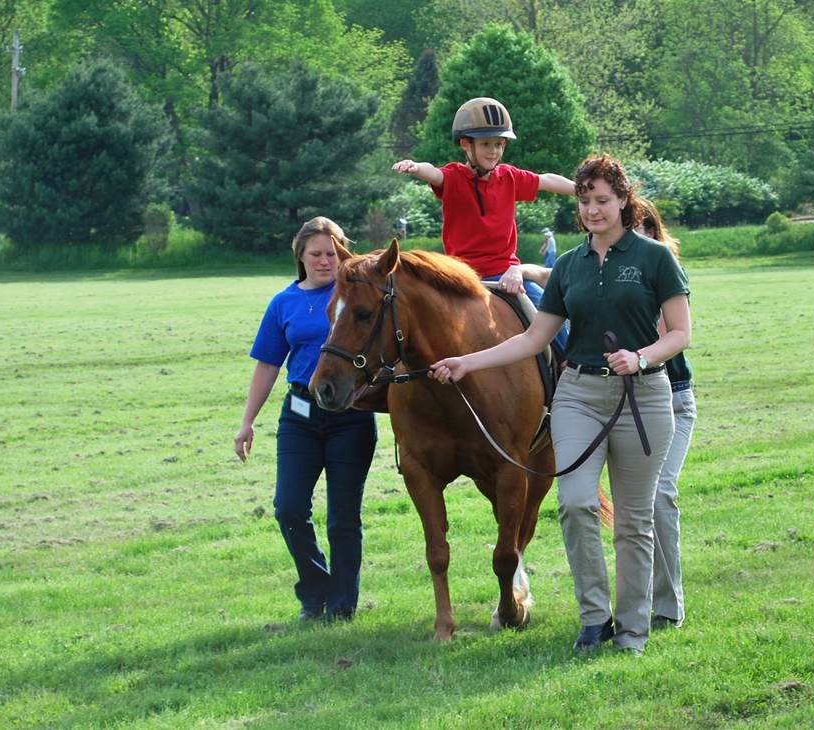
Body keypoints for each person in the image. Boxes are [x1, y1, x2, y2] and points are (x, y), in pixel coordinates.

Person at [430, 154, 691, 655]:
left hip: (644, 396)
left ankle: (633, 628)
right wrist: (468, 362)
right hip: (578, 396)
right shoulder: (568, 265)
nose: (593, 211)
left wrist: (640, 357)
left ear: (622, 201)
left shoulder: (655, 259)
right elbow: (533, 339)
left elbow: (681, 332)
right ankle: (595, 619)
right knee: (575, 503)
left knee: (634, 521)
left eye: (603, 201)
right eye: (585, 201)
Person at [234, 216, 377, 623]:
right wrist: (247, 422)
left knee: (342, 517)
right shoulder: (284, 302)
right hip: (299, 414)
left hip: (350, 415)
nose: (325, 261)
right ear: (300, 256)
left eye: (332, 253)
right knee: (289, 507)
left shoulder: (353, 295)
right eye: (316, 253)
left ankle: (343, 603)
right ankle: (315, 592)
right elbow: (267, 365)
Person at [391, 97, 574, 345]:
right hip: (461, 278)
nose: (494, 151)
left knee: (550, 315)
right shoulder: (454, 177)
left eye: (499, 144)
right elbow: (433, 173)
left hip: (507, 277)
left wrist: (583, 190)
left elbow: (547, 180)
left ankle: (567, 369)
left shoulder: (509, 177)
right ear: (466, 145)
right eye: (486, 144)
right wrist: (415, 167)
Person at [636, 198, 696, 631]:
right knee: (633, 506)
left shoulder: (665, 274)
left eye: (643, 230)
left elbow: (670, 335)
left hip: (672, 398)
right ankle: (631, 603)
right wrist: (521, 270)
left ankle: (668, 606)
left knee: (659, 496)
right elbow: (552, 276)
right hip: (622, 403)